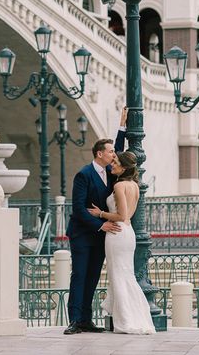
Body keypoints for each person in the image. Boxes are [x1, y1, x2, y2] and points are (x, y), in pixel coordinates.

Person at [63, 107, 127, 335]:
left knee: (92, 278)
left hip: (101, 235)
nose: (113, 155)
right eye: (109, 152)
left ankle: (86, 320)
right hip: (82, 234)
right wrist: (101, 224)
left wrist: (122, 126)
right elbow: (79, 209)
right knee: (79, 275)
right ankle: (74, 320)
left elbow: (120, 150)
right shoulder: (83, 174)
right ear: (100, 154)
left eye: (112, 152)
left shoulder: (110, 173)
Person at [88, 151, 155, 334]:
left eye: (115, 162)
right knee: (126, 276)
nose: (112, 164)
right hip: (128, 233)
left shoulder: (119, 186)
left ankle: (125, 321)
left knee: (118, 276)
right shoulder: (134, 185)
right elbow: (128, 216)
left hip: (117, 233)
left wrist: (100, 214)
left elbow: (122, 215)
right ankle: (134, 317)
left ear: (124, 167)